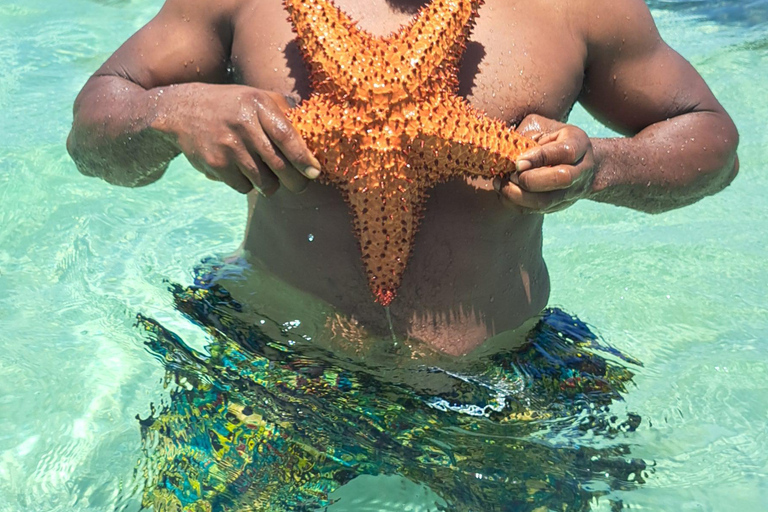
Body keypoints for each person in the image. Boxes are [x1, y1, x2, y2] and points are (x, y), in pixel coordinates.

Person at [67, 0, 737, 509]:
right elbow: (91, 131)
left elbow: (713, 144)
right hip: (265, 370)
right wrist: (171, 112)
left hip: (502, 381)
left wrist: (605, 164)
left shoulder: (573, 8)